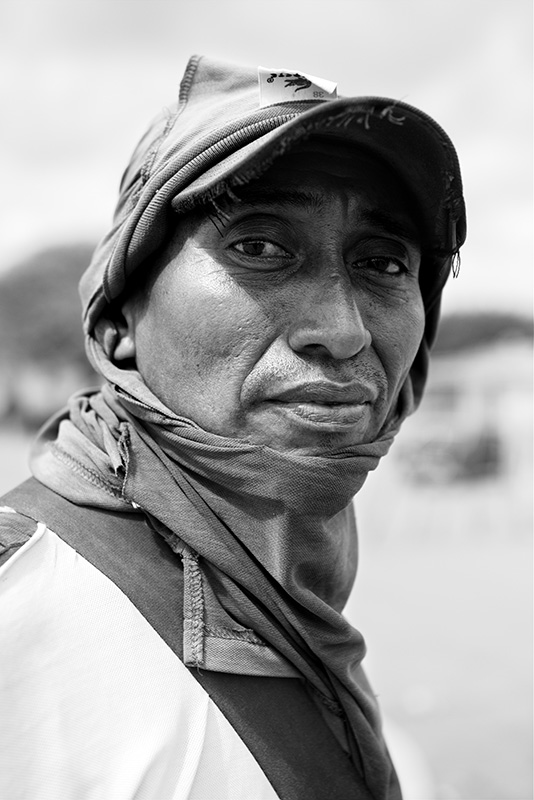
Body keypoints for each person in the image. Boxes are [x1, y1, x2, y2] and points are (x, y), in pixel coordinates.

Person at [0, 55, 466, 800]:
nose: (343, 331)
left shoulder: (306, 632)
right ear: (121, 316)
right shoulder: (20, 614)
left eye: (381, 262)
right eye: (258, 247)